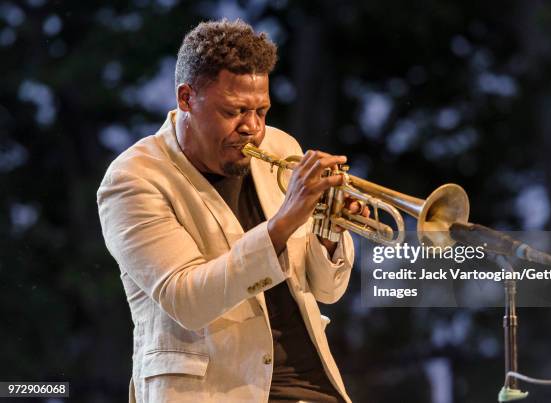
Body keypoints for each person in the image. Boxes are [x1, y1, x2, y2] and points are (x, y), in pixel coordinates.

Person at [97, 19, 368, 402]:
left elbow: (328, 290)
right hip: (213, 390)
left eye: (262, 110)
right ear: (187, 98)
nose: (253, 128)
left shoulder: (278, 146)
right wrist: (284, 222)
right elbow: (187, 301)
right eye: (234, 111)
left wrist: (328, 232)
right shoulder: (133, 179)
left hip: (313, 387)